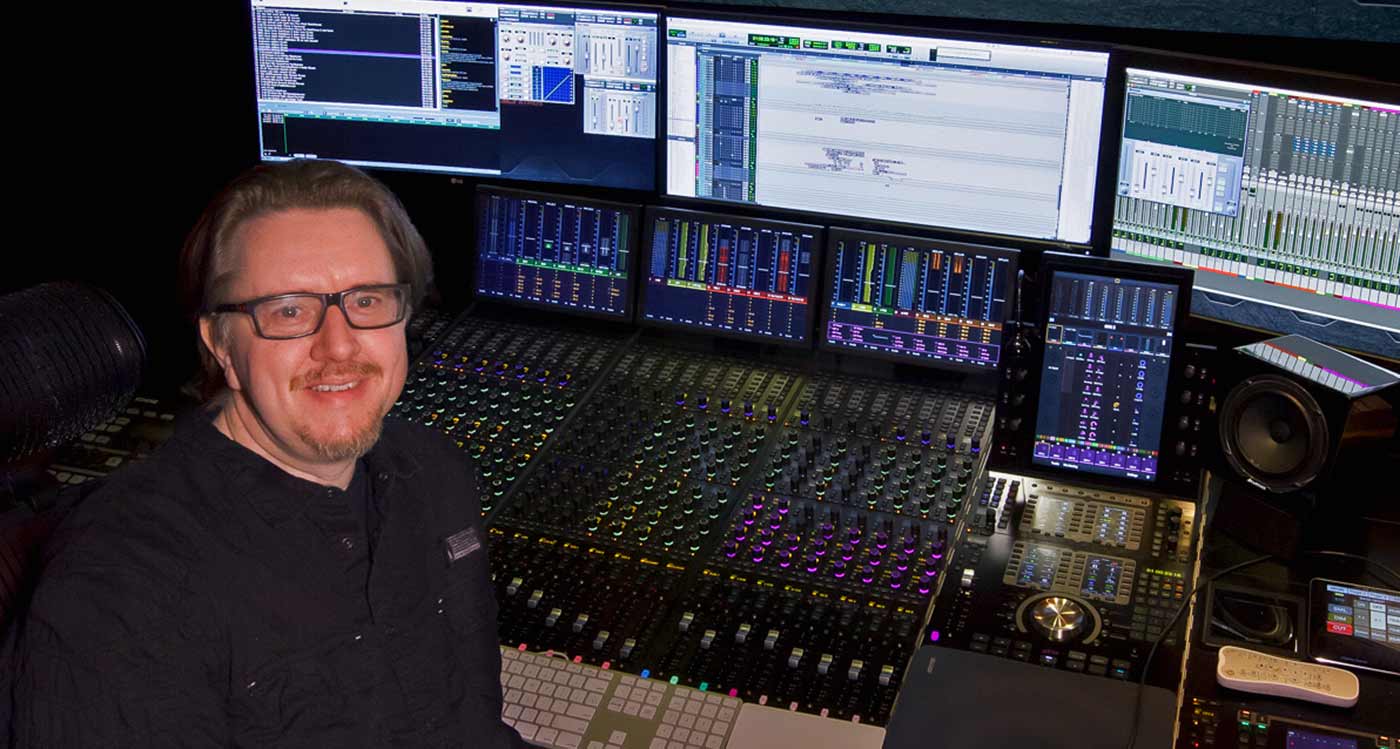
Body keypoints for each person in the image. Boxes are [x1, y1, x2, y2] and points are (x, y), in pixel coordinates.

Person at [3, 160, 524, 748]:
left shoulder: (437, 474)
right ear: (220, 343)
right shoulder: (120, 590)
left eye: (368, 300)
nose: (339, 345)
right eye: (289, 311)